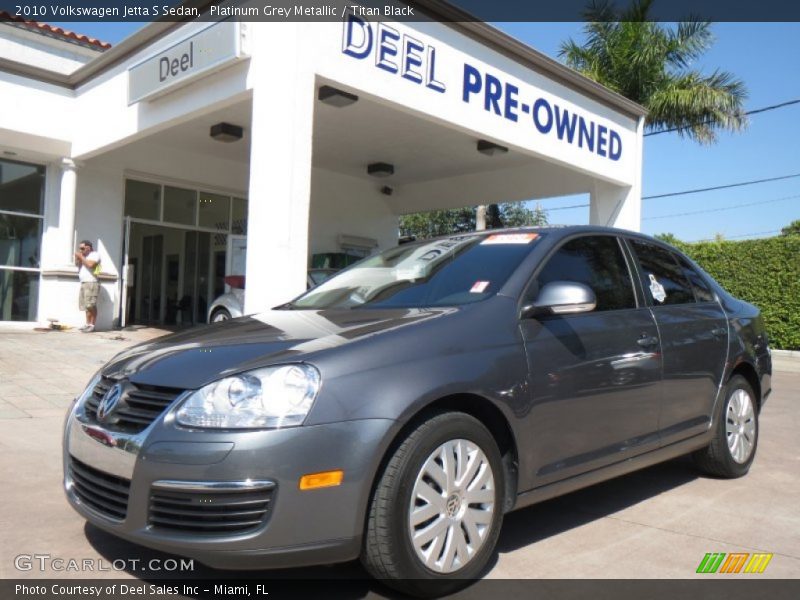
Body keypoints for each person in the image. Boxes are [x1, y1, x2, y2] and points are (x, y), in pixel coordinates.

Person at [74, 240, 100, 332]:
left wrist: (81, 257)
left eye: (82, 248)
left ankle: (92, 325)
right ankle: (87, 324)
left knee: (91, 305)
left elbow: (90, 265)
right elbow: (78, 266)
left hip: (91, 283)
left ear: (88, 247)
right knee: (86, 306)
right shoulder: (84, 256)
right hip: (84, 282)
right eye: (80, 248)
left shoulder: (95, 254)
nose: (80, 250)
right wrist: (78, 259)